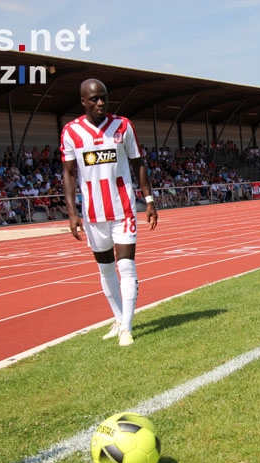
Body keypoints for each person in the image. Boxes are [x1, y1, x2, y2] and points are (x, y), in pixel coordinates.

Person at [61, 78, 158, 347]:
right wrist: (71, 212)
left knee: (126, 267)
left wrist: (148, 199)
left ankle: (127, 327)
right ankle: (118, 319)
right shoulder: (71, 131)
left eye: (104, 97)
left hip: (123, 208)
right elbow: (69, 173)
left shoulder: (123, 126)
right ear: (83, 101)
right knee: (105, 271)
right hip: (92, 214)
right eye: (94, 98)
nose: (100, 102)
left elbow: (138, 162)